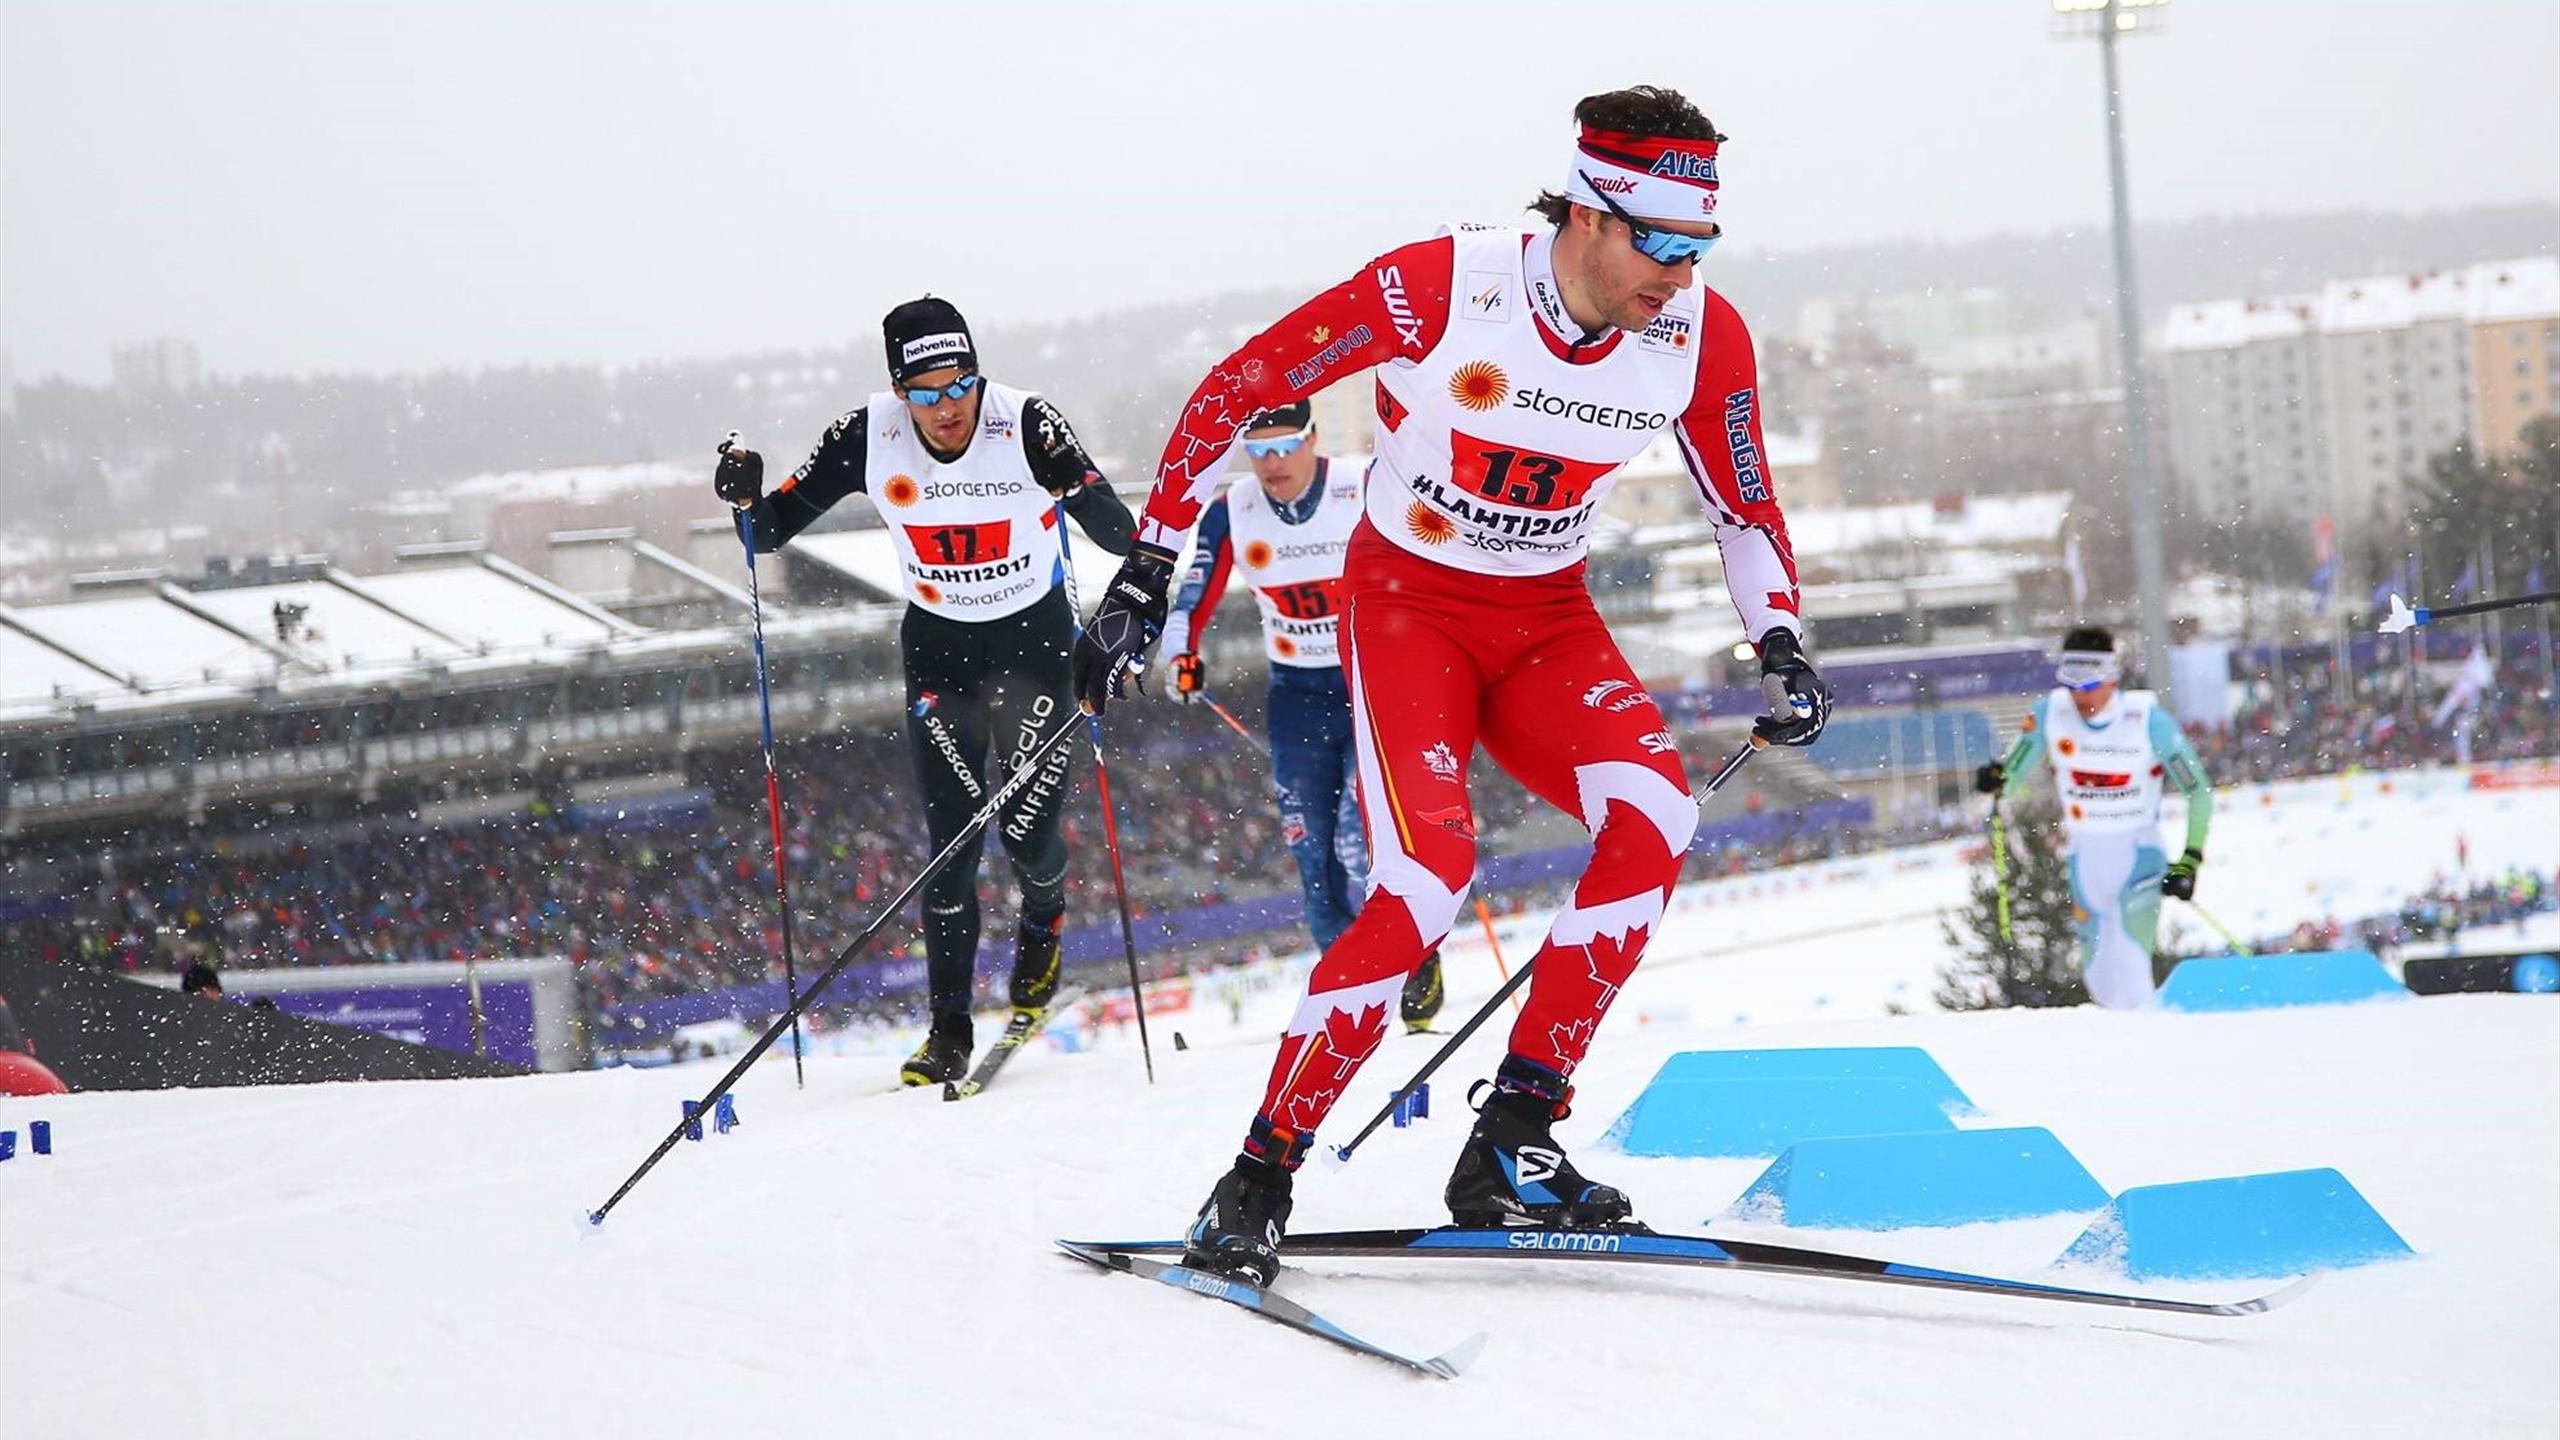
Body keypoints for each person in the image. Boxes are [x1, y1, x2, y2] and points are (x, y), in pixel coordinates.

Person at [1073, 86, 1829, 1282]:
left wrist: (1778, 639)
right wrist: (1148, 566)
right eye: (1659, 244)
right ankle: (1258, 1174)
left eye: (1701, 246)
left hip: (1547, 618)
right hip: (1410, 608)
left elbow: (1745, 506)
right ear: (1589, 215)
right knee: (1426, 880)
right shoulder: (1443, 285)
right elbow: (1236, 387)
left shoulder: (1700, 335)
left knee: (1655, 818)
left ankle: (1513, 1137)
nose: (1680, 274)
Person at [716, 297, 1135, 1085]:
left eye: (961, 385)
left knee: (1028, 837)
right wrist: (743, 497)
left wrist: (1074, 489)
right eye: (927, 392)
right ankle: (948, 1030)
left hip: (1034, 648)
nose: (948, 407)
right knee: (951, 848)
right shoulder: (866, 434)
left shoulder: (1028, 422)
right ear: (898, 390)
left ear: (979, 374)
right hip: (941, 652)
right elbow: (763, 534)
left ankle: (1044, 920)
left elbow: (1122, 534)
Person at [1158, 399, 1443, 1031]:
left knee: (1360, 842)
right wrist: (1180, 653)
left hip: (1375, 683)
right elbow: (1192, 594)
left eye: (1284, 447)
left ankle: (1416, 957)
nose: (1272, 464)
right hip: (1297, 694)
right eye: (1257, 452)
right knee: (1313, 854)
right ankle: (1349, 994)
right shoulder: (1233, 510)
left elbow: (1432, 552)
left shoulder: (1364, 484)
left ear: (1313, 439)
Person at [1974, 627, 2214, 1009]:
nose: (2080, 696)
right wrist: (1997, 778)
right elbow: (2013, 774)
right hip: (2085, 857)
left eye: (2089, 685)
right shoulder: (2050, 714)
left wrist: (2190, 859)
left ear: (2112, 676)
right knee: (2101, 982)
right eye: (2071, 685)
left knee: (2132, 971)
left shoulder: (2148, 720)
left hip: (2139, 854)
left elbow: (2198, 792)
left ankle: (2154, 1040)